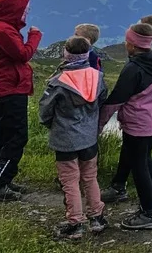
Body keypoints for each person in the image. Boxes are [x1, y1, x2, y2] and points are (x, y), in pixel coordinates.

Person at [101, 15, 152, 205]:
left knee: (136, 150)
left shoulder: (141, 57)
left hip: (144, 109)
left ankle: (120, 186)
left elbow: (127, 89)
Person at [98, 22, 152, 230]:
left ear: (133, 44)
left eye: (127, 40)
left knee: (139, 167)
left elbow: (116, 100)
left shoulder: (133, 68)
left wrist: (98, 125)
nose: (125, 43)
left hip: (137, 123)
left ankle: (149, 214)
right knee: (146, 161)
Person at [39, 36, 109, 240]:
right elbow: (102, 100)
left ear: (66, 54)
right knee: (90, 177)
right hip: (89, 137)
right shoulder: (97, 77)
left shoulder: (58, 82)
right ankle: (97, 217)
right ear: (87, 54)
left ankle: (75, 223)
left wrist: (51, 124)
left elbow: (45, 112)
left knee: (70, 181)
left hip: (65, 138)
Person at [0, 0, 42, 202]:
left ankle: (2, 179)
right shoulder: (4, 30)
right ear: (13, 10)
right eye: (24, 9)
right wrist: (35, 36)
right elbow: (22, 54)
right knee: (16, 137)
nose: (26, 13)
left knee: (5, 137)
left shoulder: (4, 28)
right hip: (10, 89)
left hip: (8, 88)